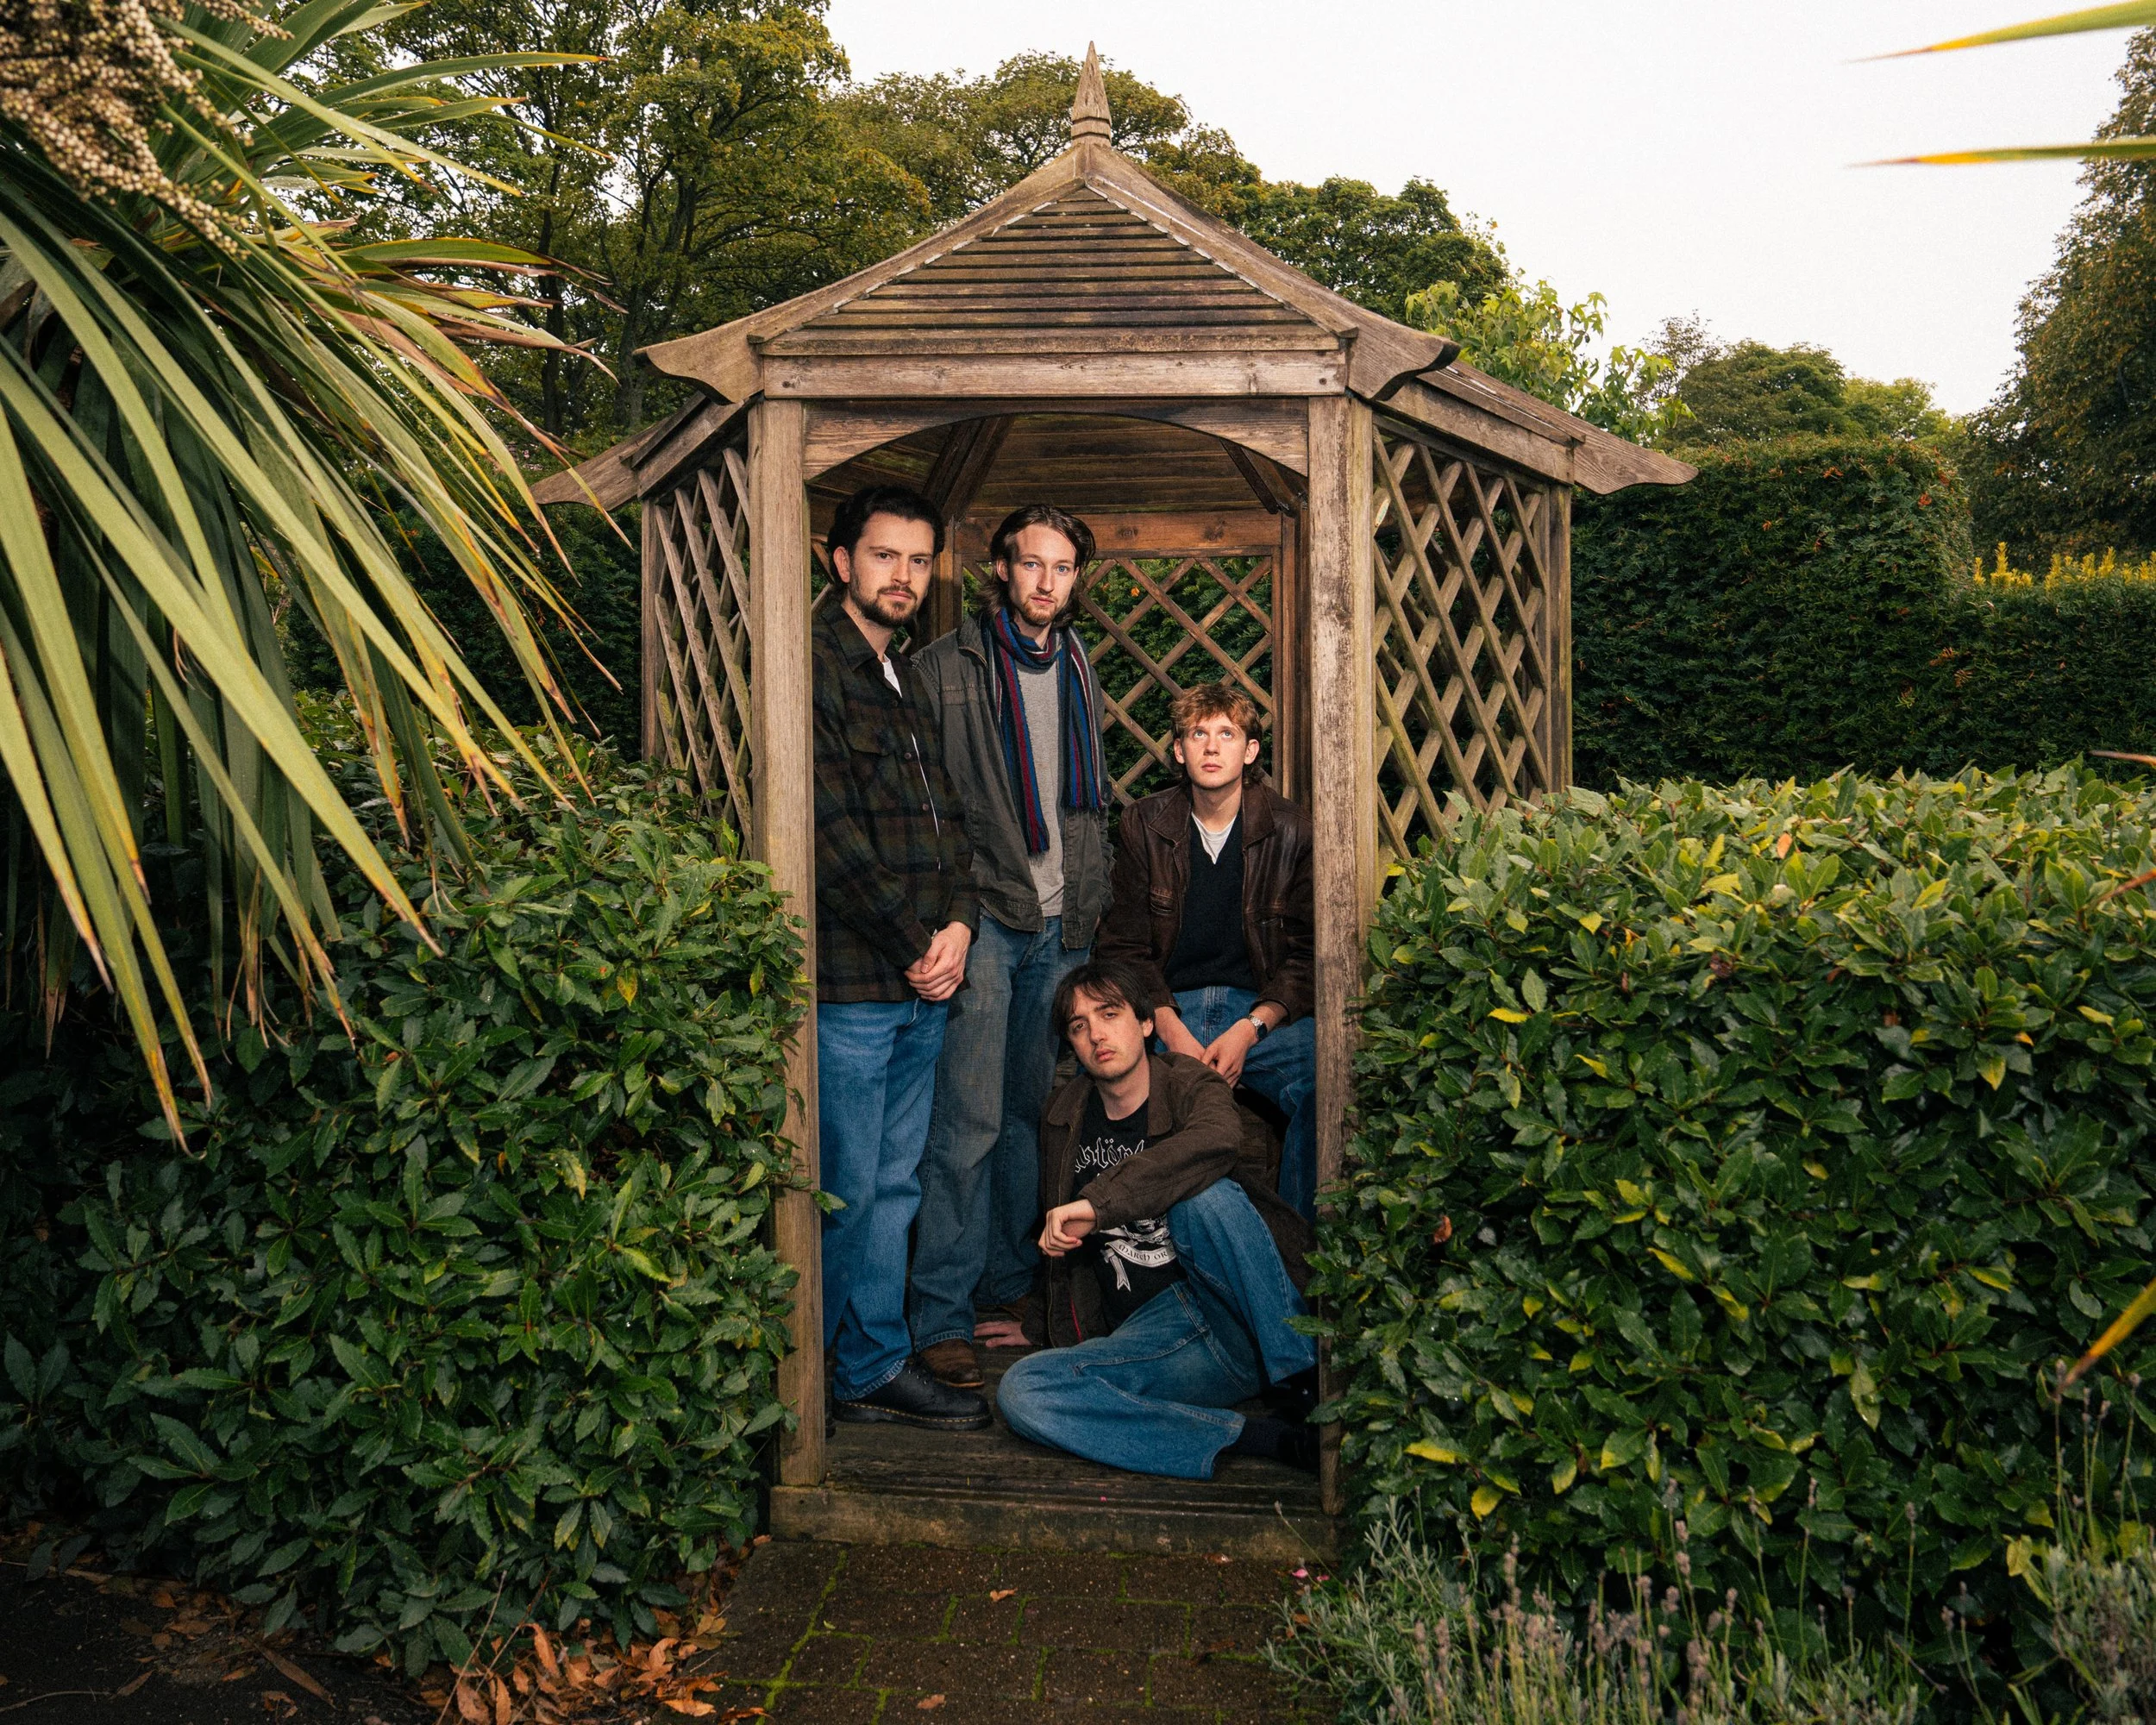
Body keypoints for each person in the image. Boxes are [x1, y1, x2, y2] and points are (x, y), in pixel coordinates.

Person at [906, 505, 1112, 1391]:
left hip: (1064, 926)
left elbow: (1084, 802)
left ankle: (1009, 1290)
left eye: (1062, 569)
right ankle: (941, 1313)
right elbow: (922, 801)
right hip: (986, 914)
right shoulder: (941, 667)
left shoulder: (1076, 664)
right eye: (1031, 565)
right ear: (999, 568)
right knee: (967, 1123)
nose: (1045, 582)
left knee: (1033, 1119)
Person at [987, 961, 1318, 1479]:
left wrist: (1099, 1206)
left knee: (1204, 1200)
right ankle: (1253, 1437)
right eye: (1078, 1026)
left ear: (1145, 1023)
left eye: (1110, 1014)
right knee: (1023, 1391)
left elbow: (1216, 1141)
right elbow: (1055, 1230)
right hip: (1155, 1341)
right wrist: (1038, 1321)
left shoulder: (1190, 1083)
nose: (1096, 1034)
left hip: (1234, 1313)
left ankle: (1305, 1381)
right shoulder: (1062, 1114)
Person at [812, 484, 988, 1432]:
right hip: (853, 984)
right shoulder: (815, 666)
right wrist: (918, 941)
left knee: (893, 1185)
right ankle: (812, 1380)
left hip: (924, 984)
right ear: (840, 560)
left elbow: (948, 821)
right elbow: (826, 829)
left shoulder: (903, 674)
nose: (904, 577)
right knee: (842, 1190)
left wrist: (959, 923)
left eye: (919, 561)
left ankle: (871, 1365)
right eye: (885, 556)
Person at [1094, 683, 1320, 1216]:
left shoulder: (1292, 829)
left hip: (1260, 1015)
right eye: (1198, 734)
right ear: (1178, 750)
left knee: (1328, 1079)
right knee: (1101, 1079)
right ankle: (1132, 1256)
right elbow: (1123, 948)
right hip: (1169, 1005)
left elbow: (1306, 956)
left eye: (1227, 734)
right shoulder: (1144, 824)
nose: (1212, 748)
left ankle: (1299, 1247)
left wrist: (1250, 1029)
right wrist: (1169, 1028)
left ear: (1251, 751)